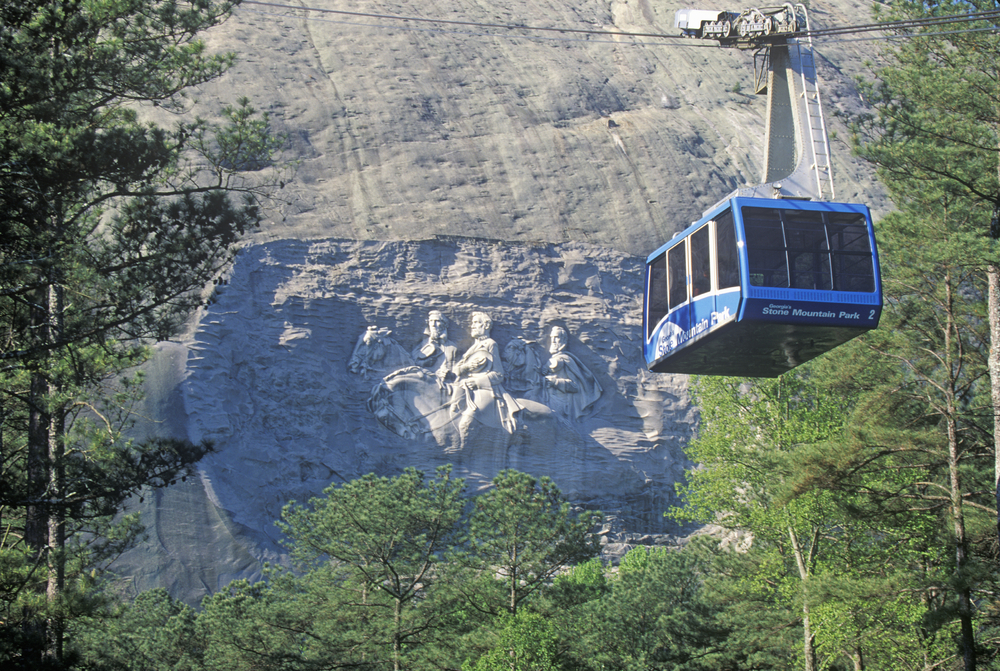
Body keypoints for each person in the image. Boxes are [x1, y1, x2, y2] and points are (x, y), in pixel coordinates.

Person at [448, 312, 520, 444]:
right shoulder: (473, 347)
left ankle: (463, 450)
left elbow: (498, 374)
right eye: (472, 323)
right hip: (464, 388)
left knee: (466, 422)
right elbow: (458, 369)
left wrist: (477, 382)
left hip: (485, 390)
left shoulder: (490, 344)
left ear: (486, 326)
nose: (472, 326)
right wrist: (465, 368)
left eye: (476, 323)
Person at [543, 326, 602, 420]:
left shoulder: (566, 359)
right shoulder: (551, 360)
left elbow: (575, 386)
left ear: (563, 340)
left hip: (561, 404)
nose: (553, 341)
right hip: (546, 398)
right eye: (552, 337)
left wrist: (555, 382)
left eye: (556, 337)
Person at [412, 310, 458, 377]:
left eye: (437, 321)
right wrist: (424, 363)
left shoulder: (452, 347)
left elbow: (454, 370)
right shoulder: (423, 344)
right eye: (431, 321)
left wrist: (447, 373)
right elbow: (412, 362)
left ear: (444, 324)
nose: (433, 324)